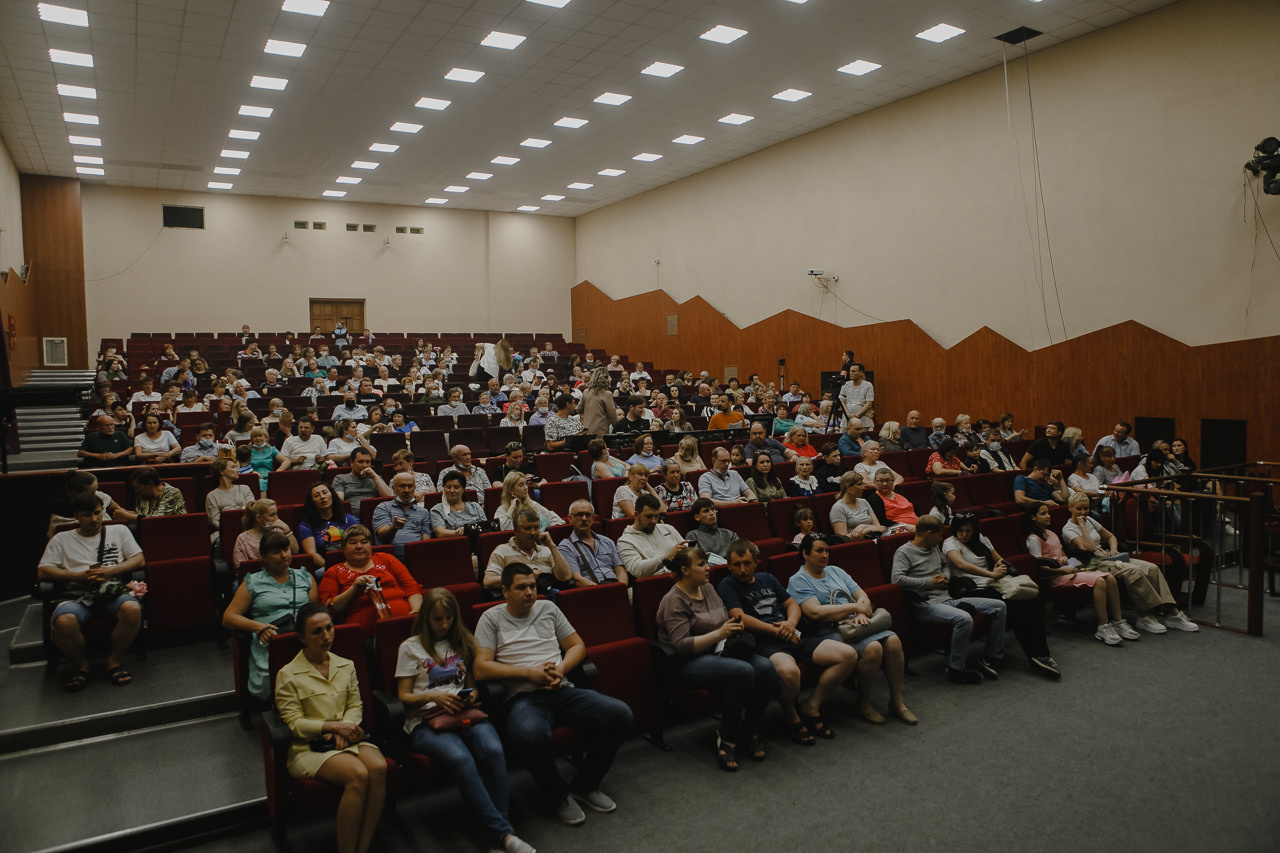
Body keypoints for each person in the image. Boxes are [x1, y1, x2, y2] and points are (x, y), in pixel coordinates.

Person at [474, 563, 632, 826]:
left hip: (562, 689)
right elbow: (480, 668)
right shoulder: (491, 618)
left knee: (621, 715)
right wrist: (529, 673)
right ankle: (558, 795)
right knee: (529, 734)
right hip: (524, 698)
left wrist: (561, 669)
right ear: (505, 590)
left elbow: (577, 646)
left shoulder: (548, 608)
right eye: (521, 587)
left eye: (532, 586)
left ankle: (585, 785)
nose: (529, 592)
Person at [395, 590, 535, 853]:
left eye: (449, 618)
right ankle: (505, 837)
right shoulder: (410, 647)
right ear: (426, 618)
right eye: (438, 619)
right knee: (462, 760)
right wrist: (434, 697)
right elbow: (403, 697)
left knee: (494, 750)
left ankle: (499, 835)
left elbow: (473, 688)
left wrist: (471, 696)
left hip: (463, 713)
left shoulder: (462, 641)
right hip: (426, 722)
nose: (444, 625)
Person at [274, 603, 387, 853]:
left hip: (349, 737)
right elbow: (294, 723)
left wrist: (345, 729)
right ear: (302, 637)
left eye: (329, 628)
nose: (326, 636)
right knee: (358, 774)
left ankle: (363, 847)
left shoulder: (345, 664)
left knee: (379, 767)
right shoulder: (288, 674)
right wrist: (334, 728)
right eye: (316, 632)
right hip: (309, 748)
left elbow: (355, 705)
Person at [657, 545, 774, 769]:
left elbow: (721, 620)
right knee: (743, 671)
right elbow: (681, 646)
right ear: (686, 570)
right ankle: (729, 738)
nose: (708, 568)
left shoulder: (708, 588)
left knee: (766, 668)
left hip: (720, 651)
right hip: (686, 663)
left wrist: (729, 628)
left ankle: (750, 730)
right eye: (701, 564)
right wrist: (719, 634)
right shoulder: (674, 600)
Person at [787, 534, 915, 724]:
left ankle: (896, 701)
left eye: (827, 551)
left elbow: (861, 595)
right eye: (819, 551)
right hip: (827, 633)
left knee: (893, 641)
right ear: (805, 553)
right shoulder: (798, 580)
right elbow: (815, 612)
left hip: (855, 625)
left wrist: (861, 613)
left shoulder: (836, 571)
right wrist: (855, 608)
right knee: (874, 649)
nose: (824, 555)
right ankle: (863, 702)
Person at [39, 494, 145, 691]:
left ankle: (113, 662)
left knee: (132, 609)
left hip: (112, 591)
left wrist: (110, 571)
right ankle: (82, 666)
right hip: (77, 595)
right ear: (76, 516)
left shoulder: (119, 530)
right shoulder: (62, 538)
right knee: (64, 621)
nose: (95, 519)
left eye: (97, 513)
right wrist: (78, 577)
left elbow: (138, 560)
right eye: (87, 515)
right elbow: (44, 570)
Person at [891, 516, 1006, 684]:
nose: (941, 539)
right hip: (925, 604)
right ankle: (955, 669)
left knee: (999, 606)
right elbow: (897, 580)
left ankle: (992, 656)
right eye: (939, 535)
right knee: (964, 619)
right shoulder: (904, 552)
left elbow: (945, 565)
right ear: (929, 534)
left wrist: (945, 577)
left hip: (946, 598)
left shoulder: (934, 547)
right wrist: (929, 582)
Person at [1061, 493, 1198, 634]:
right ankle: (1145, 616)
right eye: (1079, 509)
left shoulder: (1089, 519)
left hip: (1108, 556)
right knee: (1134, 571)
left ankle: (1173, 613)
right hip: (1093, 562)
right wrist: (1082, 526)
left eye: (1086, 508)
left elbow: (1110, 536)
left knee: (1152, 568)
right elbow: (1088, 548)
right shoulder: (1068, 529)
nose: (1083, 512)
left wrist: (1113, 549)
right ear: (1070, 508)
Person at [943, 513, 1060, 678]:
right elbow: (962, 565)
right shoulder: (950, 543)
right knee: (1016, 608)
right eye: (960, 530)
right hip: (972, 589)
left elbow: (998, 558)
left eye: (968, 531)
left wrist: (1002, 566)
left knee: (1033, 600)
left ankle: (1042, 653)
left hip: (994, 584)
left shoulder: (981, 539)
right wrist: (991, 574)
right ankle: (1031, 655)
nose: (964, 535)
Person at [222, 531, 317, 700]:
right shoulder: (253, 582)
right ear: (264, 557)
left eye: (286, 550)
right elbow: (228, 617)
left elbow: (314, 611)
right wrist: (258, 627)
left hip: (304, 640)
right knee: (275, 678)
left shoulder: (305, 577)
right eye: (276, 552)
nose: (284, 555)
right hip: (270, 641)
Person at [1023, 504, 1132, 645]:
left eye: (1048, 513)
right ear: (1033, 517)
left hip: (1068, 570)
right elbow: (1038, 566)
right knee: (1100, 580)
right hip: (1055, 577)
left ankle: (1118, 621)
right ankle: (1103, 627)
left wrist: (1064, 558)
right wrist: (1062, 570)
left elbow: (1061, 553)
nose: (1048, 516)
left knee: (1110, 577)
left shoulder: (1051, 533)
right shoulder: (1033, 539)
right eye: (1043, 514)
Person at [319, 525, 422, 636]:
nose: (359, 546)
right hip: (365, 635)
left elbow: (412, 587)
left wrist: (415, 613)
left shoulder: (386, 559)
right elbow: (330, 608)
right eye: (353, 543)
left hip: (405, 623)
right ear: (343, 548)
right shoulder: (333, 572)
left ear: (371, 546)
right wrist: (354, 589)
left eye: (364, 542)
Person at [484, 510, 581, 591]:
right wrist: (525, 576)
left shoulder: (547, 551)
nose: (533, 532)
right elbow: (488, 582)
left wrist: (552, 546)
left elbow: (566, 577)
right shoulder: (502, 551)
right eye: (527, 528)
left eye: (536, 528)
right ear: (516, 531)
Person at [557, 500, 627, 585]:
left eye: (587, 515)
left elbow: (620, 570)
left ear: (593, 518)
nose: (584, 519)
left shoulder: (607, 541)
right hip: (591, 592)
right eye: (579, 515)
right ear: (570, 518)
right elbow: (577, 579)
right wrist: (605, 592)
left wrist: (621, 588)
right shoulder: (565, 547)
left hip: (616, 587)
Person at [616, 494, 684, 579]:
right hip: (653, 584)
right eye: (649, 516)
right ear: (636, 515)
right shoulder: (625, 541)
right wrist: (666, 557)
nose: (654, 521)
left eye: (656, 516)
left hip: (680, 578)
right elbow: (637, 570)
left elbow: (686, 550)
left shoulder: (668, 528)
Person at [299, 483, 360, 571]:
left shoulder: (348, 519)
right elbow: (312, 554)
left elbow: (360, 542)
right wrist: (335, 570)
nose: (322, 497)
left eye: (325, 492)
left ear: (332, 495)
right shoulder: (306, 525)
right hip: (327, 567)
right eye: (317, 495)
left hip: (352, 561)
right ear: (312, 501)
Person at [372, 472, 433, 556]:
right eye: (402, 486)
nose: (406, 490)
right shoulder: (383, 507)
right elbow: (382, 537)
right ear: (394, 489)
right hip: (390, 557)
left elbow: (425, 541)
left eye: (410, 486)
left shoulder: (423, 512)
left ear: (414, 488)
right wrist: (394, 528)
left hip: (416, 556)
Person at [233, 497, 299, 569]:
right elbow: (240, 567)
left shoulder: (278, 530)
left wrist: (287, 529)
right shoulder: (243, 538)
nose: (276, 519)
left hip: (279, 572)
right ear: (258, 518)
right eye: (272, 515)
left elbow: (295, 551)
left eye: (276, 514)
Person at [429, 469, 490, 541]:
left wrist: (467, 530)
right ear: (444, 488)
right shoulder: (437, 510)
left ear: (463, 489)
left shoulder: (475, 506)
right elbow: (440, 533)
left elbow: (486, 528)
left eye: (456, 487)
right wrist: (461, 532)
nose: (452, 491)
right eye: (448, 487)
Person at [495, 472, 564, 531]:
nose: (526, 488)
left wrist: (548, 530)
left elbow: (556, 519)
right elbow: (503, 530)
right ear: (511, 490)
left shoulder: (533, 504)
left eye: (526, 484)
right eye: (521, 485)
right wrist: (512, 507)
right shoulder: (502, 510)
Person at [332, 447, 393, 514]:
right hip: (354, 517)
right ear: (351, 462)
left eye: (368, 462)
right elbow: (338, 500)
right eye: (360, 462)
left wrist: (375, 476)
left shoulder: (377, 478)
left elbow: (389, 497)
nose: (364, 465)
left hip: (377, 515)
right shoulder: (341, 478)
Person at [828, 471, 884, 541]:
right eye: (859, 484)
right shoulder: (838, 508)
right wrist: (867, 530)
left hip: (874, 539)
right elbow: (843, 539)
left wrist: (862, 527)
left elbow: (880, 528)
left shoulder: (863, 502)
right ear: (849, 487)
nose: (863, 487)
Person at [579, 368, 619, 436]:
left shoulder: (586, 392)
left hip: (586, 430)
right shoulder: (607, 394)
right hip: (600, 431)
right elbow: (612, 413)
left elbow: (579, 409)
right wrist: (617, 428)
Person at [837, 362, 874, 430]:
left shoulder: (868, 385)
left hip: (862, 421)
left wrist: (857, 415)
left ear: (860, 373)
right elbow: (842, 401)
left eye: (853, 371)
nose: (851, 373)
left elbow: (869, 403)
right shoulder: (845, 385)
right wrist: (847, 414)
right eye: (850, 371)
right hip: (846, 420)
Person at [246, 427, 283, 492]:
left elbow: (286, 461)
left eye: (260, 436)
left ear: (266, 438)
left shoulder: (271, 449)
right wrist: (251, 472)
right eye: (255, 436)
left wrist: (278, 471)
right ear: (252, 439)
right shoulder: (248, 450)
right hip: (254, 477)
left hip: (270, 476)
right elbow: (241, 465)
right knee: (261, 483)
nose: (258, 438)